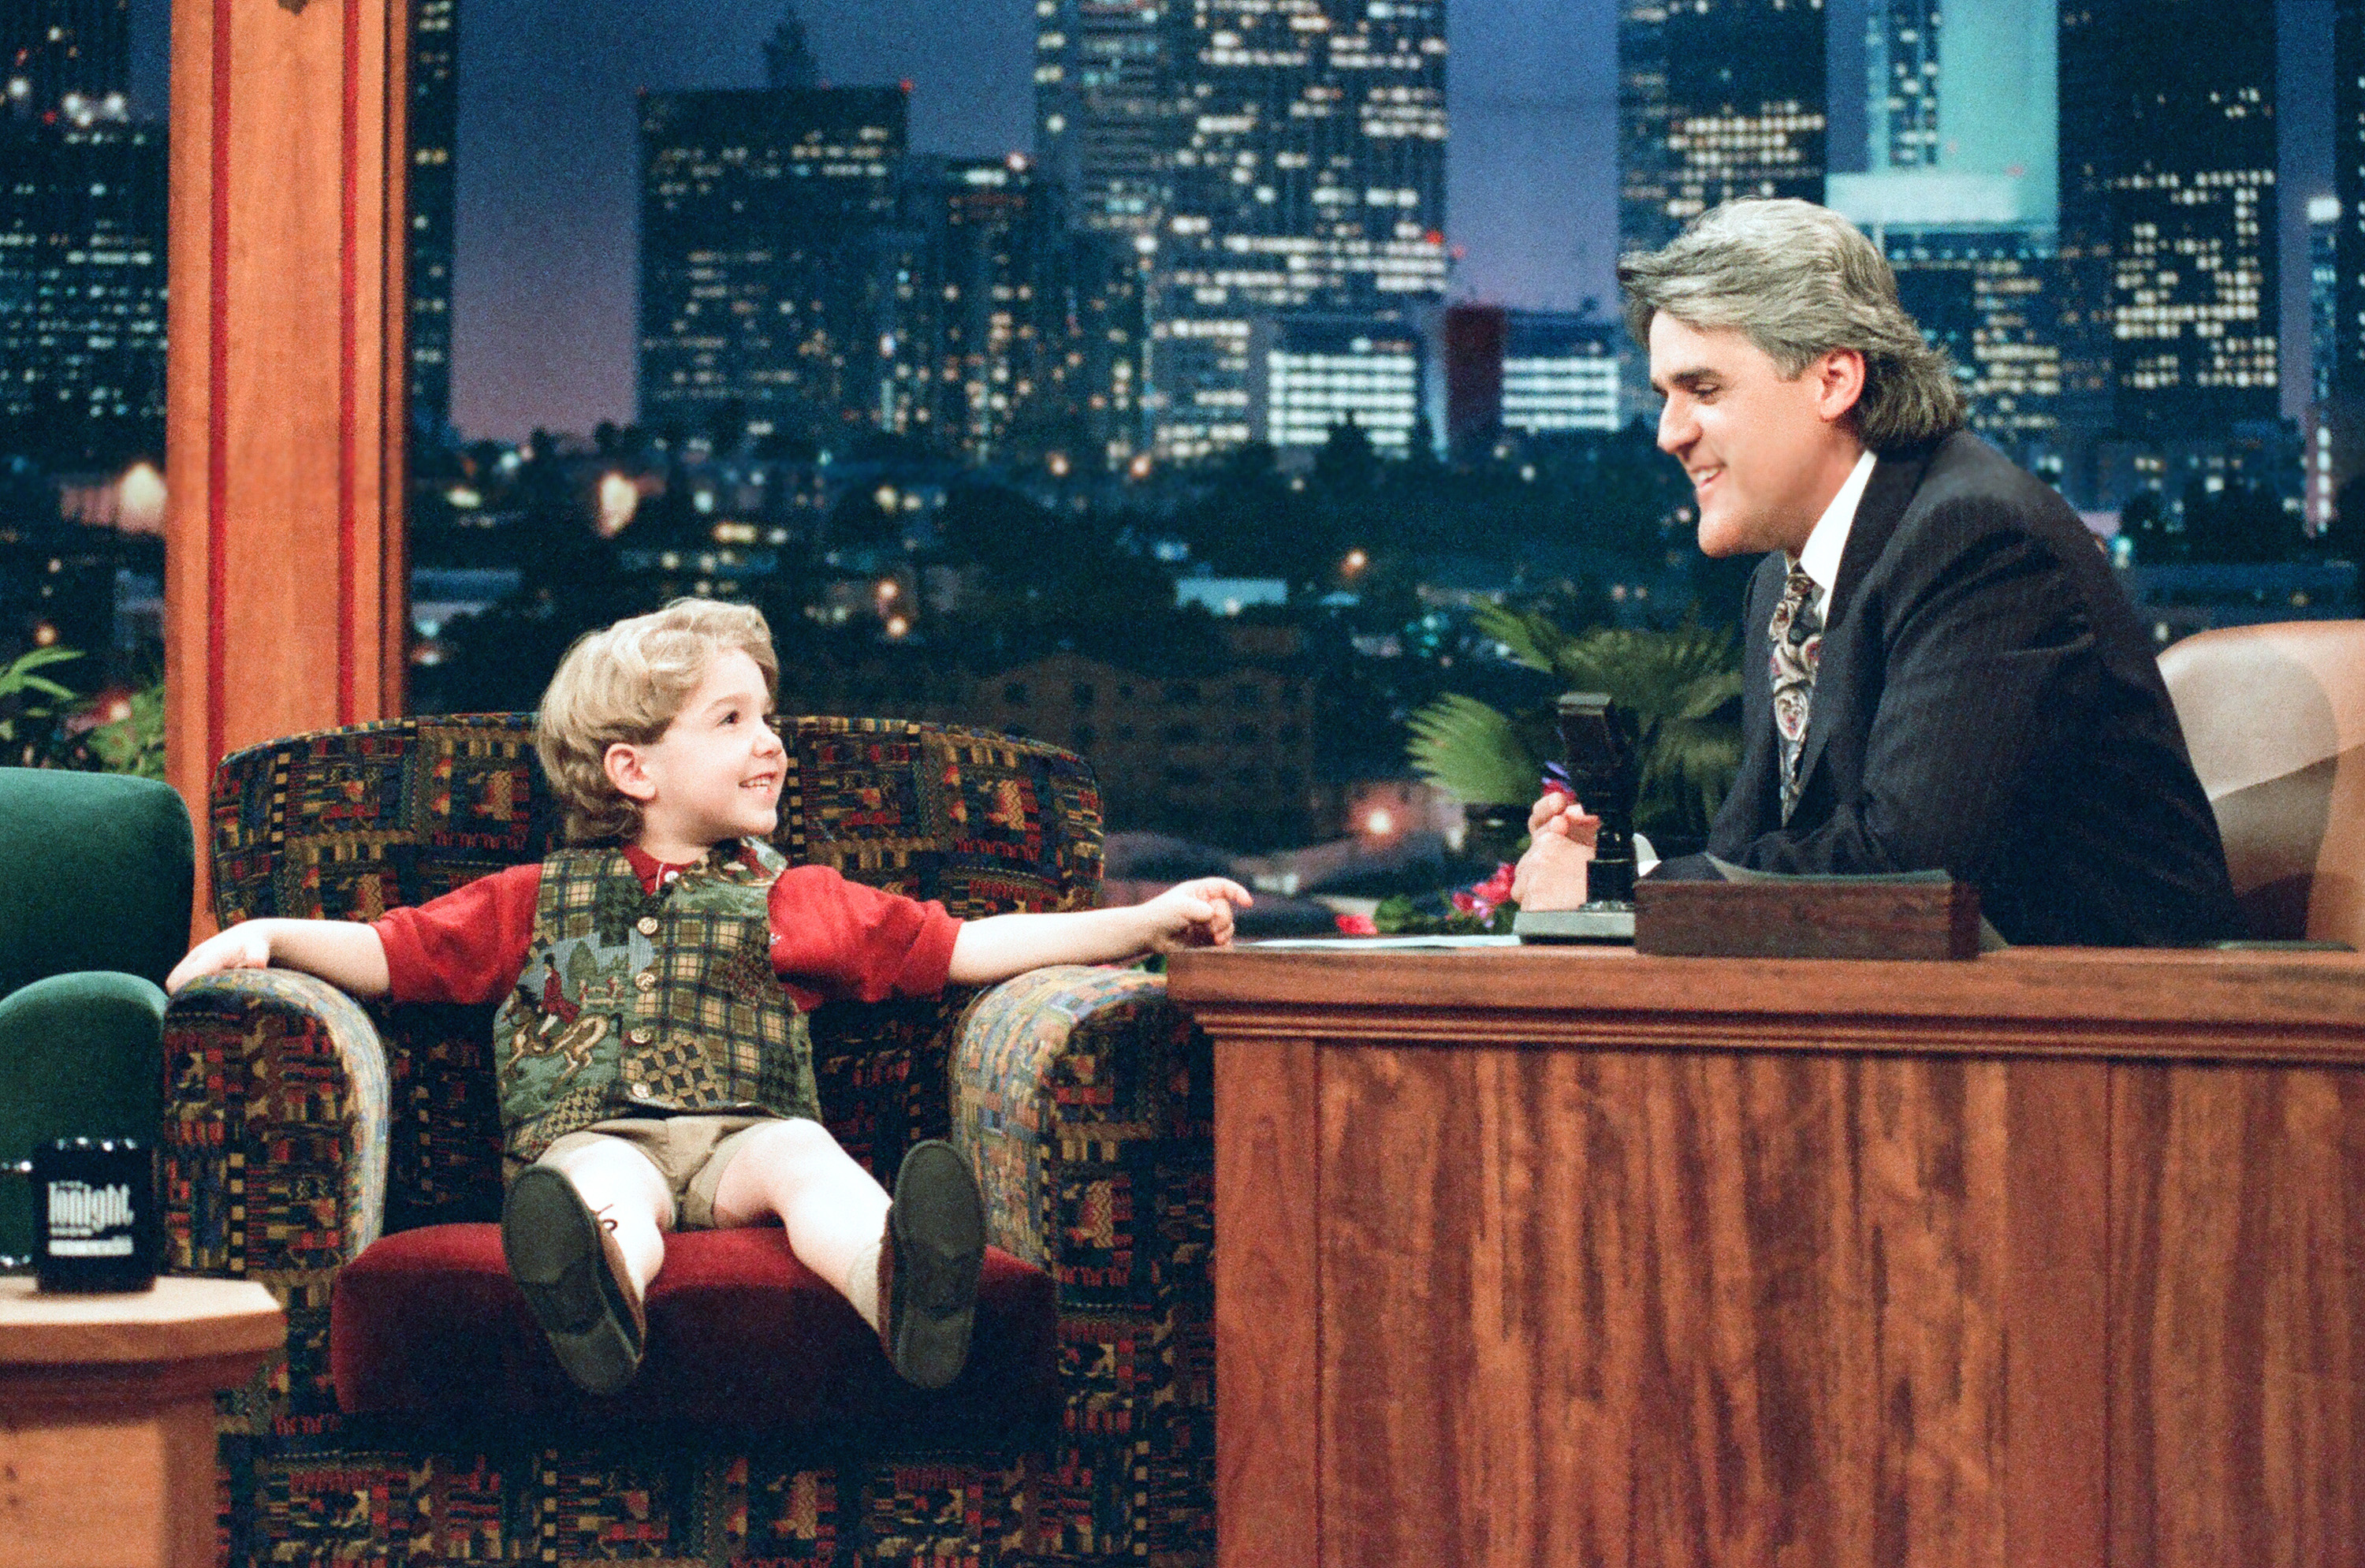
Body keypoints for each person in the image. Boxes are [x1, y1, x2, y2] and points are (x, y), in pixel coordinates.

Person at [166, 598, 1253, 1395]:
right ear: (635, 769)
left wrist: (1139, 923)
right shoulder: (532, 898)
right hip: (596, 1133)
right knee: (602, 1191)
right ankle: (596, 1300)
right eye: (732, 720)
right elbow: (391, 952)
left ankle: (912, 1294)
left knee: (814, 1168)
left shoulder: (795, 897)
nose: (773, 742)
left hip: (749, 1136)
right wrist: (265, 932)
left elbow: (970, 946)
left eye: (767, 715)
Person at [1512, 199, 2241, 946]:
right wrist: (1615, 870)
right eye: (1665, 396)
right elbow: (1763, 860)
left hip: (2125, 1034)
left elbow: (1909, 873)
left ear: (1833, 380)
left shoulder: (1979, 541)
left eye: (1704, 390)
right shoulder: (1784, 579)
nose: (1670, 433)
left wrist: (1637, 894)